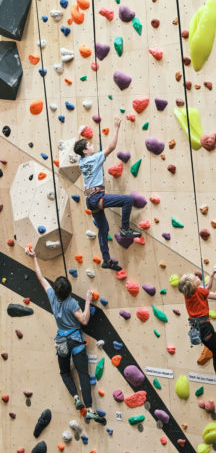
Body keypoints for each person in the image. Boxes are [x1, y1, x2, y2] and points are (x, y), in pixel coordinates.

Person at [25, 246, 105, 425]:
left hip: (62, 342)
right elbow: (84, 320)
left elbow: (40, 277)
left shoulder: (52, 296)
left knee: (64, 371)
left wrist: (34, 257)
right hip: (76, 341)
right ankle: (90, 409)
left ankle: (76, 397)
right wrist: (87, 300)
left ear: (56, 289)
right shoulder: (71, 303)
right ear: (68, 291)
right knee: (83, 375)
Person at [73, 115, 141, 271]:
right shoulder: (94, 159)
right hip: (97, 197)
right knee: (128, 200)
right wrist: (116, 128)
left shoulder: (81, 160)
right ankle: (124, 229)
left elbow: (76, 147)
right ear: (85, 151)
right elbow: (111, 147)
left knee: (103, 229)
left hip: (91, 200)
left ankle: (106, 260)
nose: (92, 146)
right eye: (89, 145)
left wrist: (78, 132)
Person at [178, 265, 216, 392]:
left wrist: (211, 276)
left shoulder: (189, 294)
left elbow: (206, 289)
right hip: (205, 327)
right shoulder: (199, 291)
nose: (197, 276)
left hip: (197, 328)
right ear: (193, 284)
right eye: (194, 277)